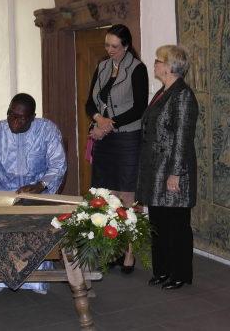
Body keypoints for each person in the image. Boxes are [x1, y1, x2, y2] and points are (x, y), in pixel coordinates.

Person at [0, 93, 67, 295]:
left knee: (35, 222)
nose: (15, 121)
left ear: (33, 117)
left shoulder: (47, 130)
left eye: (21, 118)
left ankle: (36, 281)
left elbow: (58, 166)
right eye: (11, 115)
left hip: (37, 194)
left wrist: (41, 185)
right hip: (1, 192)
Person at [85, 24, 149, 274]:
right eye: (107, 45)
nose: (109, 50)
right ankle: (113, 249)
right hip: (105, 140)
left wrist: (107, 125)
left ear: (126, 46)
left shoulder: (137, 68)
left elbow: (139, 107)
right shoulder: (102, 66)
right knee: (108, 197)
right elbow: (90, 102)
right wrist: (98, 119)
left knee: (127, 197)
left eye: (114, 46)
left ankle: (130, 253)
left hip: (127, 139)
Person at [136, 44, 198, 290]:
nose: (155, 64)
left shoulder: (183, 95)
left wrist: (175, 173)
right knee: (159, 224)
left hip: (173, 171)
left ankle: (180, 274)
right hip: (155, 169)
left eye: (158, 61)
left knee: (177, 226)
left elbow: (183, 138)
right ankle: (162, 270)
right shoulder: (163, 92)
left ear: (170, 67)